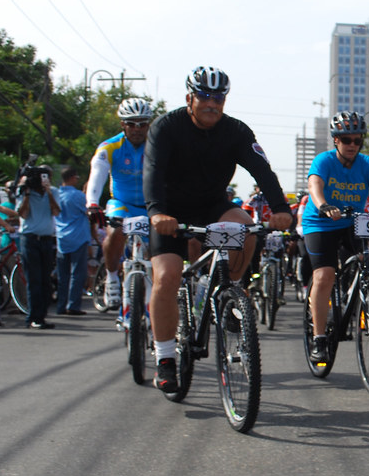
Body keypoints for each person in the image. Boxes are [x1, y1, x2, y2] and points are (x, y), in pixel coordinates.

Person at [144, 66, 292, 392]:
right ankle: (165, 358)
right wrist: (157, 213)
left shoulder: (236, 131)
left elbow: (262, 171)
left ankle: (229, 294)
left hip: (213, 204)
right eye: (204, 96)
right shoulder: (166, 127)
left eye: (218, 97)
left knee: (246, 229)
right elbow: (152, 172)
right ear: (189, 97)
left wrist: (281, 209)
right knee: (167, 276)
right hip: (170, 210)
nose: (212, 103)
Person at [302, 111, 369, 365]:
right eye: (346, 139)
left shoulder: (368, 163)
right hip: (321, 222)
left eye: (357, 140)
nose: (352, 144)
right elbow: (314, 186)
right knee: (324, 275)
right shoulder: (323, 161)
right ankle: (319, 337)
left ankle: (362, 289)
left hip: (353, 221)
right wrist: (323, 204)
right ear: (336, 140)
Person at [85, 98, 154, 308]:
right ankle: (112, 276)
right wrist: (92, 203)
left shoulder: (157, 146)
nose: (137, 129)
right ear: (122, 124)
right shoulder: (110, 147)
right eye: (131, 123)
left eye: (142, 124)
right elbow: (97, 175)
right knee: (115, 231)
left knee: (157, 249)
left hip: (150, 206)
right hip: (122, 203)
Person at [16, 164, 60, 329]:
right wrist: (27, 192)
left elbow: (56, 212)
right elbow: (23, 214)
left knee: (45, 281)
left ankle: (42, 315)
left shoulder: (53, 192)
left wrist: (48, 192)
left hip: (47, 240)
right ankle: (33, 317)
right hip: (30, 239)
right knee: (34, 279)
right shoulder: (25, 192)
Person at [54, 167, 92, 316]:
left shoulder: (55, 195)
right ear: (72, 178)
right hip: (78, 237)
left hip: (61, 238)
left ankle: (61, 305)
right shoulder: (77, 196)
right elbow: (89, 211)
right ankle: (73, 305)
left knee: (62, 275)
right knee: (78, 273)